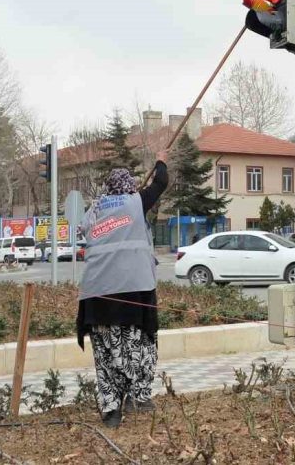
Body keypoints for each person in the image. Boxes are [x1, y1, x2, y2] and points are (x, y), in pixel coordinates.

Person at [77, 162, 170, 428]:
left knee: (105, 354)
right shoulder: (135, 203)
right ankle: (136, 397)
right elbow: (160, 182)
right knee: (138, 346)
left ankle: (111, 411)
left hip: (95, 294)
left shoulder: (93, 210)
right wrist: (161, 160)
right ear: (129, 187)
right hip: (133, 290)